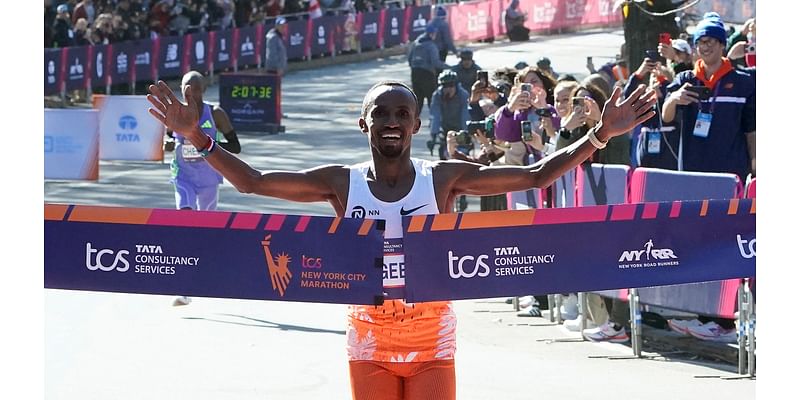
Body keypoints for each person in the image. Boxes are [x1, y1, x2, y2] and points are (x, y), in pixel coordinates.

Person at [147, 76, 656, 399]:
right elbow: (254, 183)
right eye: (382, 114)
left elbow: (536, 177)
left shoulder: (444, 178)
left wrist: (600, 135)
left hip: (432, 340)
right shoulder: (339, 182)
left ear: (415, 124)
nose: (391, 122)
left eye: (401, 114)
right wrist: (196, 136)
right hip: (368, 340)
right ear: (363, 123)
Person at [167, 71, 242, 306]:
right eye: (185, 87)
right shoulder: (175, 112)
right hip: (183, 177)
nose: (189, 92)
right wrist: (167, 143)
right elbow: (168, 138)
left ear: (203, 90)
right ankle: (185, 286)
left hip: (209, 178)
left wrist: (209, 145)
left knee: (206, 228)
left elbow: (236, 146)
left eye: (194, 88)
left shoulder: (216, 113)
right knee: (186, 221)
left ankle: (210, 270)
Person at [661, 12, 756, 181]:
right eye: (701, 42)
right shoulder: (685, 79)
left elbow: (751, 131)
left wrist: (755, 166)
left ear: (722, 44)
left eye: (711, 40)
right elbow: (666, 117)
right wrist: (674, 99)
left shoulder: (743, 82)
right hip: (692, 173)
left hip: (731, 174)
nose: (705, 46)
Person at [407, 24, 449, 113]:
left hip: (415, 73)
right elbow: (435, 62)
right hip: (427, 74)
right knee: (432, 99)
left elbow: (409, 58)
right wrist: (449, 67)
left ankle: (413, 121)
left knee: (418, 100)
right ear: (431, 34)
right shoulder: (431, 46)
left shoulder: (416, 43)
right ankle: (434, 120)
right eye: (434, 34)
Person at [429, 70, 470, 161]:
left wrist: (466, 132)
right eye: (445, 86)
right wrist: (434, 134)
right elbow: (435, 115)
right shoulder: (437, 96)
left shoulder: (463, 95)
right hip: (445, 130)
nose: (449, 89)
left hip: (460, 128)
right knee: (443, 156)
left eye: (451, 85)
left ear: (456, 85)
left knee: (463, 156)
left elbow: (465, 115)